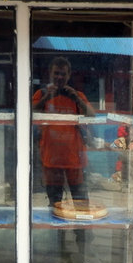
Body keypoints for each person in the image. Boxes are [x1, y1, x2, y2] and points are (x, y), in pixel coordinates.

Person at [32, 56, 96, 206]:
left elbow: (92, 115)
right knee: (55, 204)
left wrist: (76, 99)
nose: (59, 77)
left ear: (69, 75)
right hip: (51, 159)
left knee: (81, 203)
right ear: (50, 74)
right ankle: (58, 230)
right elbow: (29, 112)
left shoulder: (77, 95)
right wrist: (47, 97)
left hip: (75, 160)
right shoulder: (41, 94)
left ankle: (80, 230)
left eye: (63, 74)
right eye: (56, 73)